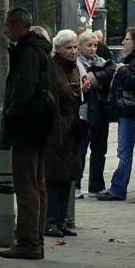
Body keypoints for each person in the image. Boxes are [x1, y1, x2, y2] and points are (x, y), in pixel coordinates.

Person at [0, 7, 60, 259]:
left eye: (8, 25)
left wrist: (11, 114)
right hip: (41, 127)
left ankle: (28, 242)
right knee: (38, 184)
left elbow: (22, 90)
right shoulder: (42, 50)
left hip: (26, 128)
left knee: (26, 186)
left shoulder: (26, 53)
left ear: (16, 25)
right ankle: (37, 238)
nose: (5, 30)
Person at [97, 28, 135, 201]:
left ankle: (118, 188)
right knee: (124, 150)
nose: (123, 42)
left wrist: (122, 70)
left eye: (126, 39)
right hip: (128, 110)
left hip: (130, 111)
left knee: (124, 151)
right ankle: (117, 186)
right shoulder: (134, 60)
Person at [44, 30, 83, 238]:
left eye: (75, 47)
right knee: (54, 176)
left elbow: (74, 95)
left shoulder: (73, 68)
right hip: (57, 130)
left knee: (67, 176)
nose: (73, 51)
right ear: (58, 49)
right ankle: (50, 221)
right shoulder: (53, 67)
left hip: (72, 129)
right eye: (69, 48)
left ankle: (60, 220)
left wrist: (85, 90)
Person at [76, 30, 114, 198]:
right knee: (80, 149)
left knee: (99, 149)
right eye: (89, 45)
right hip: (82, 112)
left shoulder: (103, 62)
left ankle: (96, 186)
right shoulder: (75, 63)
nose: (93, 49)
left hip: (99, 110)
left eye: (95, 45)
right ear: (80, 46)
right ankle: (76, 185)